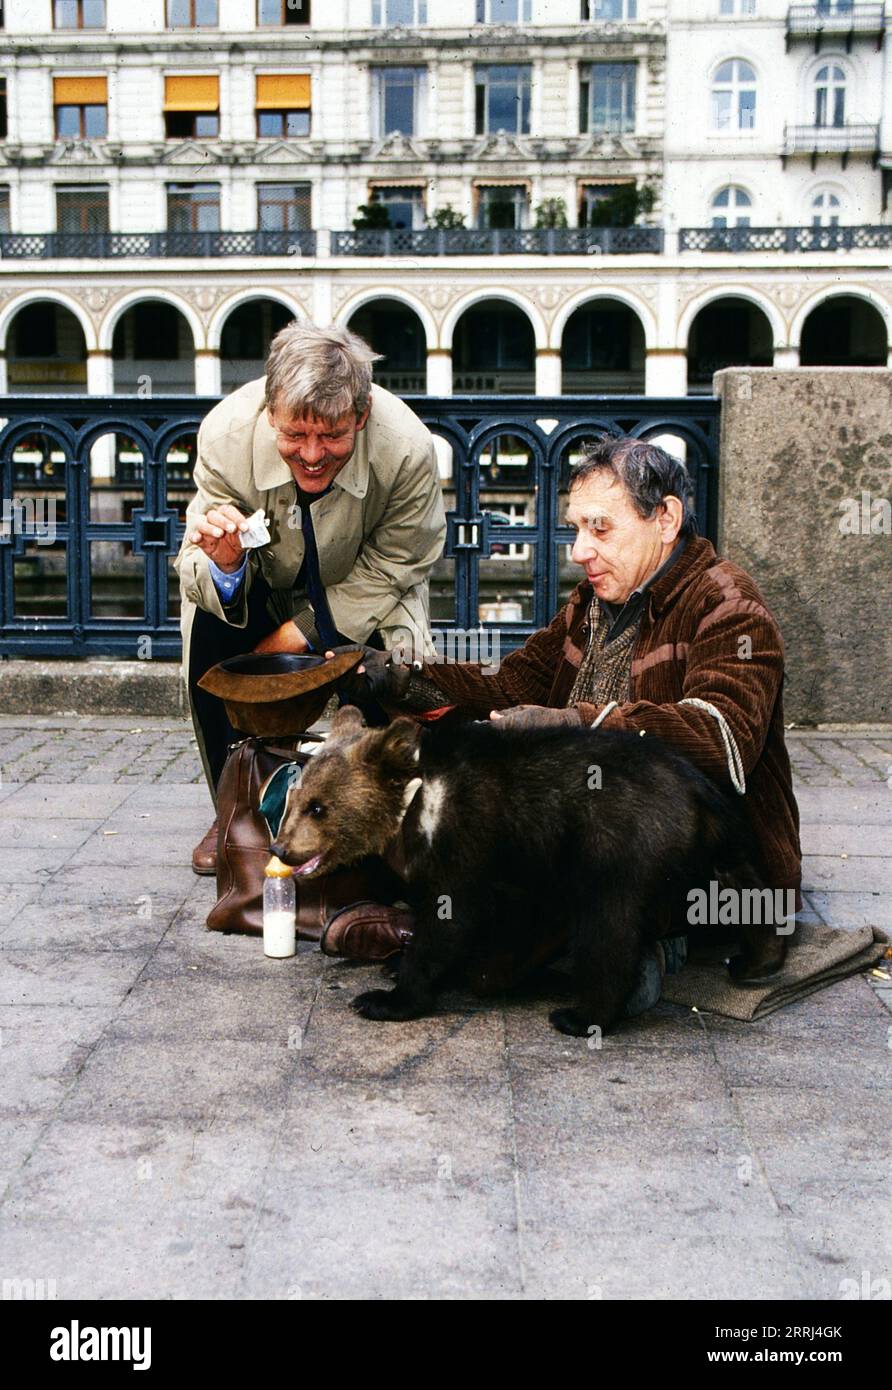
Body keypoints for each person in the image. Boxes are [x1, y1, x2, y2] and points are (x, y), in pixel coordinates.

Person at [341, 435, 802, 1001]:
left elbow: (723, 738)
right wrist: (403, 680)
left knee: (491, 951)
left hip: (697, 858)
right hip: (593, 830)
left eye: (600, 529)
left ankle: (647, 945)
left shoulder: (728, 606)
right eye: (577, 528)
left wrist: (579, 721)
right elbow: (508, 685)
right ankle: (597, 947)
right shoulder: (591, 603)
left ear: (665, 519)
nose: (579, 550)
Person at [175, 320, 447, 873]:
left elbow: (399, 561)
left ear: (362, 416)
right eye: (295, 435)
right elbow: (192, 563)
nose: (313, 454)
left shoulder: (408, 449)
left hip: (371, 586)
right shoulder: (225, 435)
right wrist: (224, 565)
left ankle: (380, 820)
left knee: (389, 674)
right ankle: (237, 810)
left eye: (333, 436)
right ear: (269, 412)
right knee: (210, 630)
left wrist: (297, 635)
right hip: (263, 584)